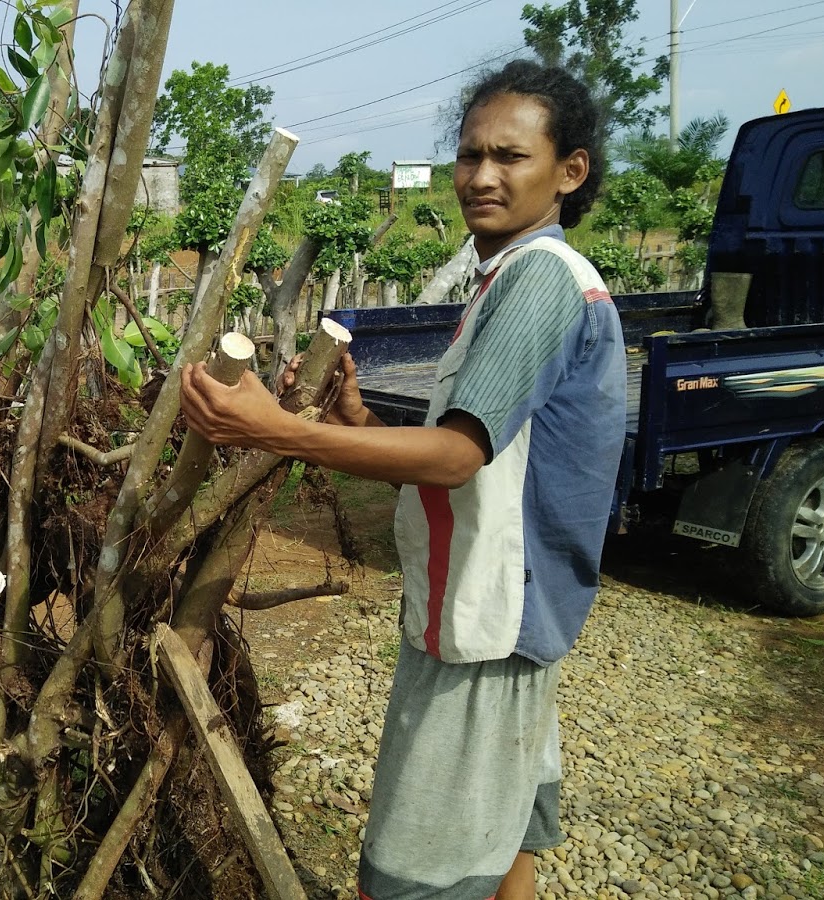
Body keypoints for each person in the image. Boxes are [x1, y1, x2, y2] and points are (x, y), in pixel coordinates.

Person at [180, 60, 624, 900]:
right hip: (508, 617)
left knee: (413, 875)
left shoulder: (538, 283)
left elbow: (458, 456)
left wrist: (280, 433)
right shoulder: (512, 281)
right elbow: (470, 468)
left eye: (510, 157)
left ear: (570, 171)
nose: (481, 176)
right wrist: (354, 423)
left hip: (485, 624)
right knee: (504, 847)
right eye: (468, 155)